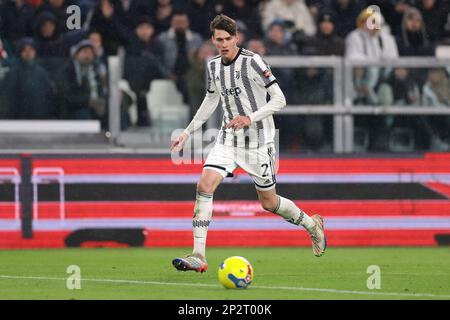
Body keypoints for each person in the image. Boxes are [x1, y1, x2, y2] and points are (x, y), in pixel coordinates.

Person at [170, 14, 327, 273]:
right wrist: (187, 132)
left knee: (269, 203)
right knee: (204, 184)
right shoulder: (213, 67)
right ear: (213, 39)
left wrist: (249, 118)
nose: (223, 44)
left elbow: (280, 100)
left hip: (258, 143)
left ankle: (311, 225)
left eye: (227, 39)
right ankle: (198, 254)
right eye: (218, 39)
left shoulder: (253, 62)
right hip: (228, 140)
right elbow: (211, 101)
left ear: (236, 38)